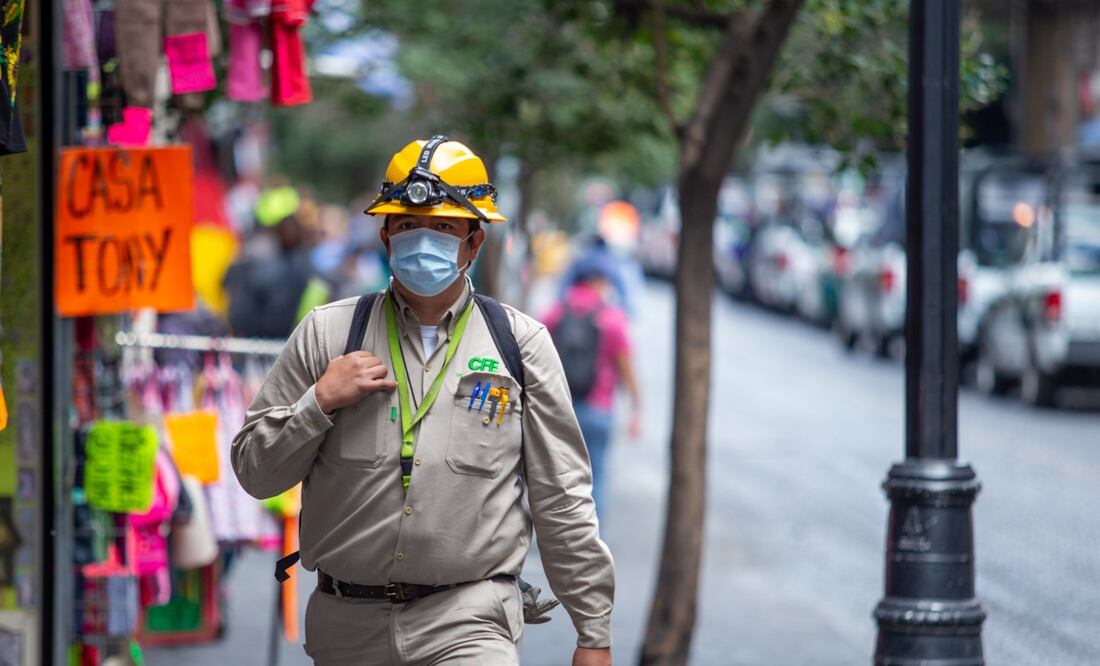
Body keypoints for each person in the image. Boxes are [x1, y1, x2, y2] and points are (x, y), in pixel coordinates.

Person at [232, 136, 614, 666]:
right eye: (408, 226)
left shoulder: (521, 346)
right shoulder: (328, 335)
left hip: (469, 622)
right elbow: (255, 473)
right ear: (386, 236)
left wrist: (593, 630)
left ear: (474, 242)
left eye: (443, 226)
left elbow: (562, 497)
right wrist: (318, 402)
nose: (422, 240)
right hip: (347, 628)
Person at [542, 253, 641, 520]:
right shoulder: (612, 317)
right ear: (598, 281)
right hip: (598, 409)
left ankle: (554, 538)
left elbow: (533, 356)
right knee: (596, 480)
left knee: (557, 477)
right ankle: (592, 543)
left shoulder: (556, 311)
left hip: (559, 408)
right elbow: (626, 367)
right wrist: (636, 409)